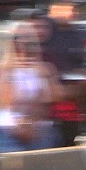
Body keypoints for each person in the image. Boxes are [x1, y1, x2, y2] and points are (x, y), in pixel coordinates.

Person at [0, 23, 61, 152]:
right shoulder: (4, 70)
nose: (24, 42)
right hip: (9, 132)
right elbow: (7, 102)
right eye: (18, 37)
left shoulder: (45, 68)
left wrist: (42, 76)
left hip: (40, 131)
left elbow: (54, 97)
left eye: (28, 37)